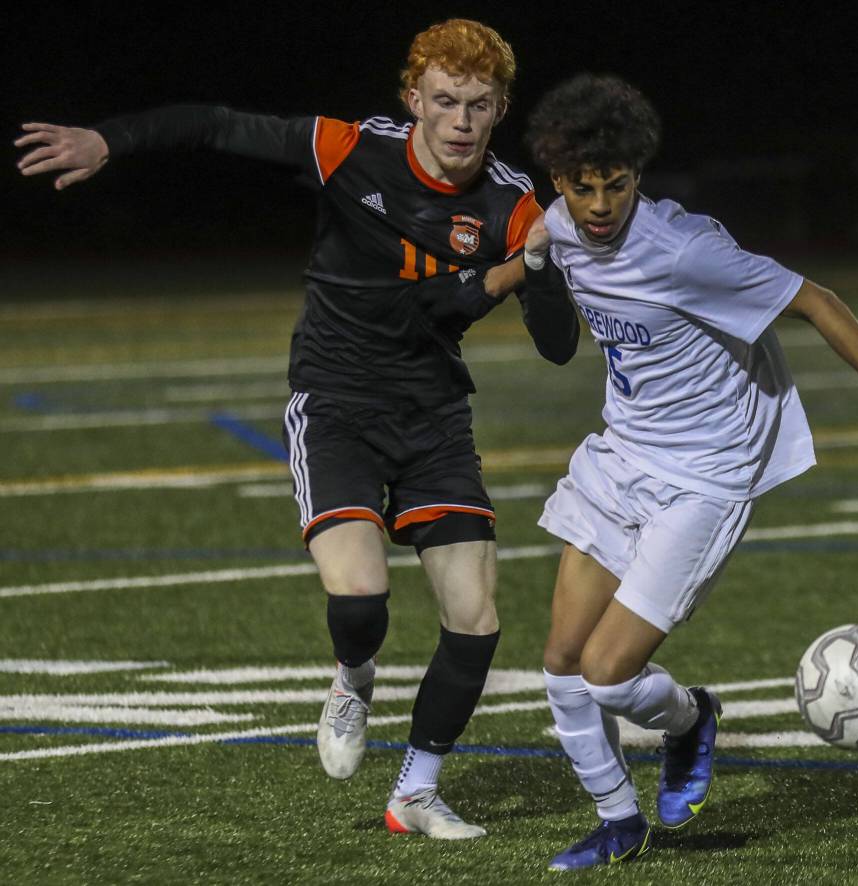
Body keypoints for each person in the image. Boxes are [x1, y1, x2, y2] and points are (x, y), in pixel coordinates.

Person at [15, 19, 578, 840]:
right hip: (336, 404)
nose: (461, 122)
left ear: (500, 110)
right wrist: (110, 140)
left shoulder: (513, 203)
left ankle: (415, 793)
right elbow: (216, 125)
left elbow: (558, 347)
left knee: (476, 619)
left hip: (434, 419)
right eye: (445, 101)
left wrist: (540, 264)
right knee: (360, 596)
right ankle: (354, 675)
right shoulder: (347, 149)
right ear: (413, 98)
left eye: (479, 105)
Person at [520, 73, 858, 870]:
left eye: (617, 185)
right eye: (583, 187)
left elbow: (819, 301)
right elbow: (523, 261)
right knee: (562, 661)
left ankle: (691, 718)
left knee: (608, 674)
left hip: (704, 477)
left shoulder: (685, 251)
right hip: (620, 457)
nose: (600, 206)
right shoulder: (557, 226)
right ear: (557, 179)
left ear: (638, 173)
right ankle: (619, 821)